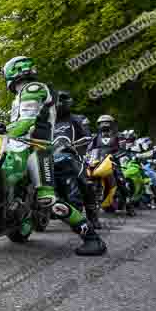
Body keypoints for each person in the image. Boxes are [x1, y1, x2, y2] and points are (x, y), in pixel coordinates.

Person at [0, 56, 106, 255]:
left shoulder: (33, 89)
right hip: (19, 147)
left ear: (13, 72)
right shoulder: (21, 95)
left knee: (47, 198)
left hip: (37, 148)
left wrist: (4, 133)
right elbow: (18, 124)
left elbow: (27, 122)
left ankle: (92, 238)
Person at [54, 90, 101, 228]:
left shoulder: (78, 119)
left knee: (86, 183)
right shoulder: (48, 123)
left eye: (62, 99)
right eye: (56, 99)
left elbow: (88, 137)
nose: (58, 103)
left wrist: (73, 145)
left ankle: (92, 216)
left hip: (74, 156)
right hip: (50, 157)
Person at [88, 115, 135, 216]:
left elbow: (123, 149)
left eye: (107, 122)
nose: (104, 124)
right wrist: (87, 156)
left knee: (121, 180)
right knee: (87, 178)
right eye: (102, 123)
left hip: (113, 162)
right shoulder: (95, 137)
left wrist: (116, 156)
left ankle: (129, 205)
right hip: (98, 162)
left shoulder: (119, 136)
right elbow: (89, 149)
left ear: (112, 124)